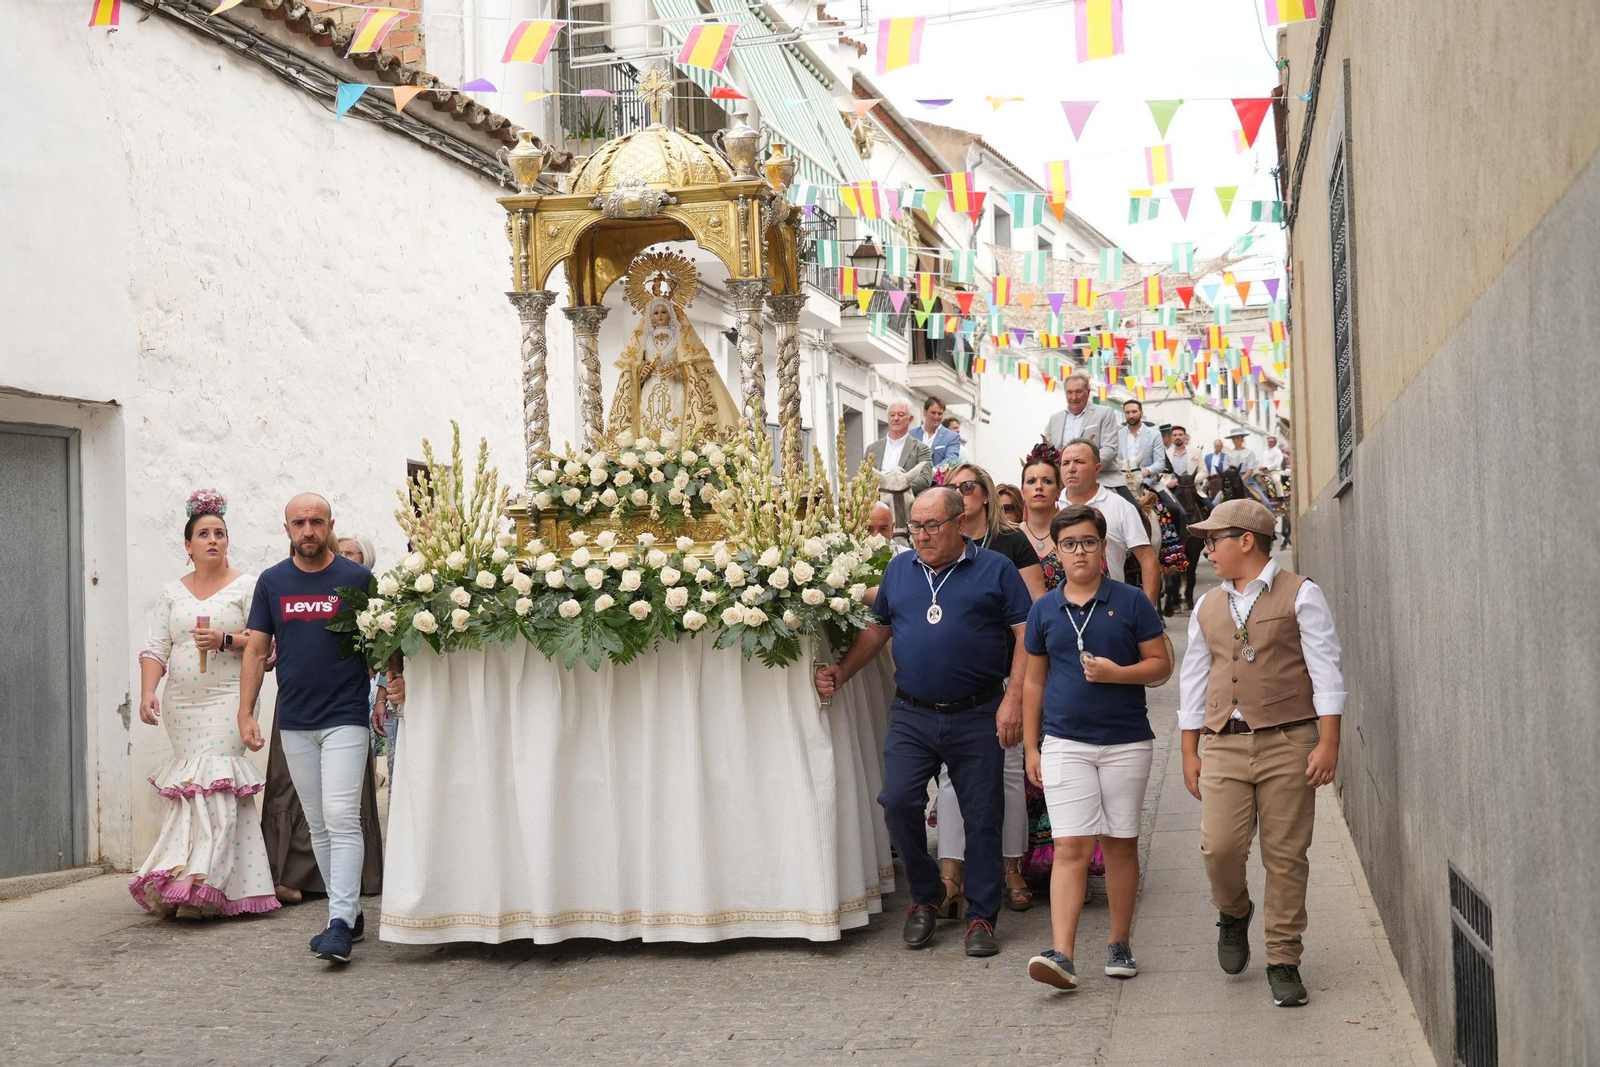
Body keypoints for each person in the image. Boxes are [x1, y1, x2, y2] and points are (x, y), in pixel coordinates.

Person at [815, 488, 1032, 958]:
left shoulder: (996, 569)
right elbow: (878, 628)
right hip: (912, 712)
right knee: (896, 801)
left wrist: (1013, 699)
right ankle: (928, 894)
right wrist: (841, 672)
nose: (921, 535)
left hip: (977, 711)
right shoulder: (900, 569)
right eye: (914, 525)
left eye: (932, 525)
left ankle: (980, 916)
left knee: (982, 815)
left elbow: (1024, 633)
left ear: (959, 524)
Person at [1178, 499, 1346, 1008]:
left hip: (1289, 741)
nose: (1207, 550)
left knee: (1286, 856)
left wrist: (1329, 740)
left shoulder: (1301, 593)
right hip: (1224, 742)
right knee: (1219, 847)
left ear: (1245, 541)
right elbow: (1192, 678)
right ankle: (1233, 911)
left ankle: (1283, 959)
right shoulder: (1209, 604)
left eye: (1214, 540)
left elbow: (1326, 668)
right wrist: (1189, 749)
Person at [239, 493, 397, 964]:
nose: (308, 530)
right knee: (320, 823)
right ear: (286, 528)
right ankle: (346, 914)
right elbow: (255, 649)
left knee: (343, 817)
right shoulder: (272, 582)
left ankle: (338, 924)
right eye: (298, 522)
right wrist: (246, 711)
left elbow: (383, 637)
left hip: (345, 715)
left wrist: (392, 682)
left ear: (330, 525)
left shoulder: (357, 579)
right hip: (295, 719)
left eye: (316, 521)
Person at [1023, 504, 1169, 990]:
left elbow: (1161, 665)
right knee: (1070, 846)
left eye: (1088, 542)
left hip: (1126, 741)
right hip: (1064, 742)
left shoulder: (1130, 602)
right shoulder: (1043, 608)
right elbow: (1033, 684)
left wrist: (1118, 674)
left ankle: (1119, 941)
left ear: (1103, 547)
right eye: (1069, 544)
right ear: (1057, 552)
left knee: (1121, 842)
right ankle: (1062, 954)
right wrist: (1031, 747)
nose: (1079, 551)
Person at [131, 491, 280, 919]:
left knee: (215, 786)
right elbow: (155, 648)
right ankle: (184, 879)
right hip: (182, 707)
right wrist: (147, 692)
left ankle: (204, 886)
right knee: (191, 793)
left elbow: (266, 645)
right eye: (203, 534)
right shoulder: (171, 593)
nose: (212, 540)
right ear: (188, 546)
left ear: (227, 542)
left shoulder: (249, 586)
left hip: (229, 701)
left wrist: (225, 640)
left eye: (219, 533)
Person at [933, 464, 1045, 916]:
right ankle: (951, 873)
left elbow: (1036, 612)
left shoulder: (1011, 542)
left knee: (1009, 773)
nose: (960, 493)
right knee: (949, 779)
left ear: (983, 494)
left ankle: (1011, 867)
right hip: (951, 680)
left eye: (968, 486)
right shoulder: (938, 542)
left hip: (1003, 675)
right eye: (952, 488)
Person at [1056, 438, 1159, 606]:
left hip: (1112, 608)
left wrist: (1148, 612)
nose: (1071, 469)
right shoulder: (1052, 508)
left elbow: (1148, 560)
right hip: (1060, 610)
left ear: (1097, 469)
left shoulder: (1121, 507)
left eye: (1079, 462)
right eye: (1065, 463)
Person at [1042, 373, 1127, 502]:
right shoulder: (1055, 419)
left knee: (1135, 510)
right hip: (1064, 480)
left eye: (1078, 392)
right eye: (1069, 392)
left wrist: (1087, 469)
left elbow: (1110, 449)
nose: (1074, 397)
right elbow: (1047, 450)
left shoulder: (1104, 413)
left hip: (1102, 477)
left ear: (1088, 392)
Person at [866, 399, 934, 532]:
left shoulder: (921, 448)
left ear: (910, 418)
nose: (896, 418)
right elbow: (864, 478)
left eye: (901, 415)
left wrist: (897, 487)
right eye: (892, 415)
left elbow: (925, 479)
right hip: (877, 510)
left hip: (908, 512)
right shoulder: (872, 448)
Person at [1118, 400, 1165, 491]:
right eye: (1127, 412)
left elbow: (1160, 462)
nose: (1131, 415)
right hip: (1122, 484)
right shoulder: (1117, 435)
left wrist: (1146, 471)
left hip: (1147, 483)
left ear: (1141, 413)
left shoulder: (1154, 435)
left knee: (1172, 505)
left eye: (1134, 412)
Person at [1223, 430, 1274, 508]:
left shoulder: (1249, 453)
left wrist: (1240, 480)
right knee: (1215, 502)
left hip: (1247, 479)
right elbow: (1226, 469)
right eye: (1233, 439)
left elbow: (1250, 469)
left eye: (1237, 438)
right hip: (1231, 480)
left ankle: (1270, 518)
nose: (1235, 440)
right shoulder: (1228, 454)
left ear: (1242, 439)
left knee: (1266, 503)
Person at [909, 396, 962, 469]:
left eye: (940, 414)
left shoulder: (952, 437)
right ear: (925, 412)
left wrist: (933, 472)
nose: (936, 417)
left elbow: (951, 460)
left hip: (937, 479)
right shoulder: (911, 434)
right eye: (933, 413)